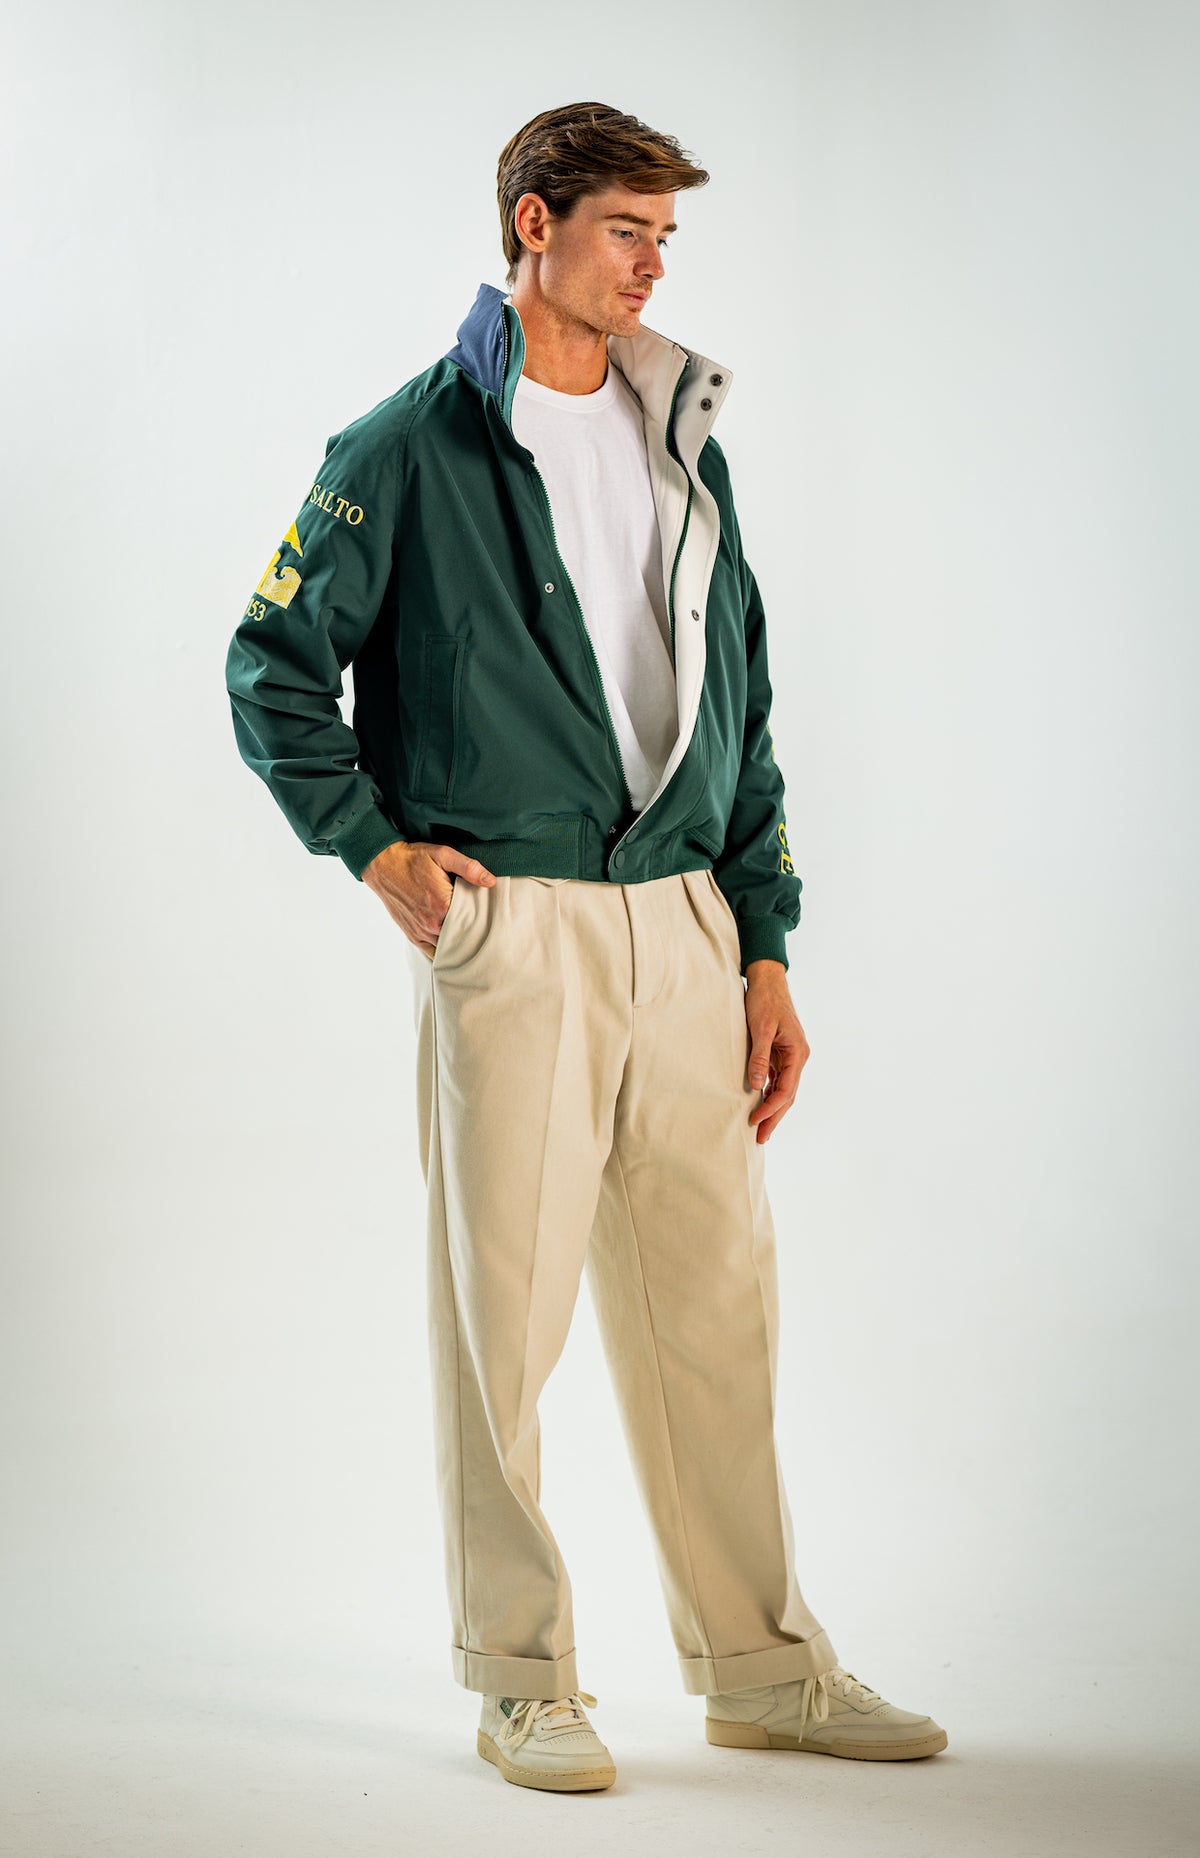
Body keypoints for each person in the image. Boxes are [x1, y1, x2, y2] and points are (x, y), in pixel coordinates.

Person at [225, 100, 948, 1794]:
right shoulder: (403, 447)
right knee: (507, 1321)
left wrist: (764, 946)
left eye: (666, 238)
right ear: (534, 224)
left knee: (718, 1310)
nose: (653, 266)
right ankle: (523, 1675)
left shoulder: (683, 440)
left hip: (685, 920)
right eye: (629, 229)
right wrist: (378, 851)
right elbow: (271, 660)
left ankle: (762, 1665)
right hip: (517, 924)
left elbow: (741, 711)